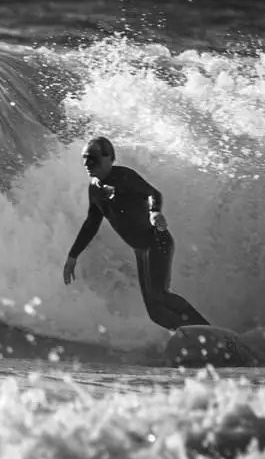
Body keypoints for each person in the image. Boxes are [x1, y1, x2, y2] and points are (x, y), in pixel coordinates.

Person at [62, 136, 209, 330]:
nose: (87, 163)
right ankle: (189, 336)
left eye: (93, 158)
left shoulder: (124, 176)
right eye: (85, 158)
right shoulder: (94, 189)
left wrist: (154, 211)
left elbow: (153, 194)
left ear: (109, 158)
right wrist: (73, 255)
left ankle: (206, 330)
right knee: (155, 314)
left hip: (157, 242)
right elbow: (91, 222)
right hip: (141, 251)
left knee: (159, 294)